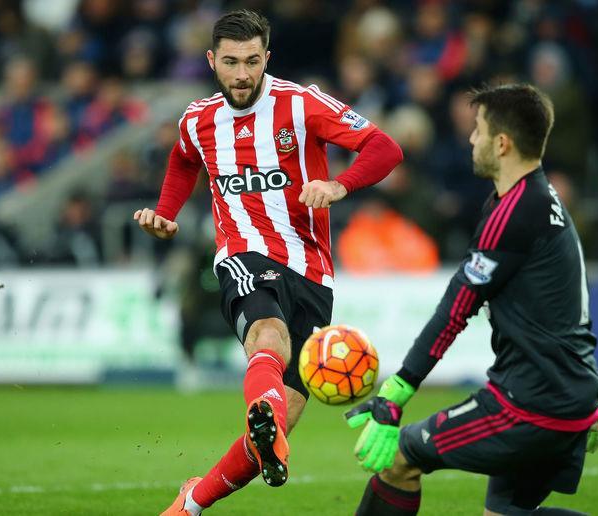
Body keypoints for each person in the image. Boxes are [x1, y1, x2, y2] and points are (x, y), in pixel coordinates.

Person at [132, 10, 403, 516]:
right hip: (243, 255)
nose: (241, 74)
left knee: (272, 439)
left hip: (313, 272)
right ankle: (248, 435)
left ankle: (193, 498)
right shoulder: (198, 118)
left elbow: (384, 147)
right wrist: (166, 214)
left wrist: (339, 185)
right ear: (212, 61)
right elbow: (183, 159)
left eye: (252, 61)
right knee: (269, 336)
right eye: (231, 62)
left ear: (267, 59)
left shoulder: (301, 104)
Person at [344, 84, 598, 516]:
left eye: (478, 130)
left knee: (398, 459)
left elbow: (457, 308)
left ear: (501, 144)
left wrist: (398, 389)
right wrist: (589, 390)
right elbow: (569, 305)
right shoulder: (542, 199)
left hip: (528, 406)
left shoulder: (515, 213)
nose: (471, 139)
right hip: (568, 398)